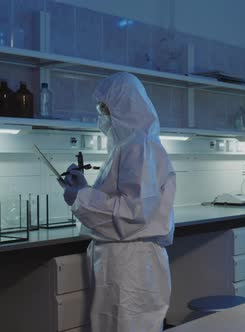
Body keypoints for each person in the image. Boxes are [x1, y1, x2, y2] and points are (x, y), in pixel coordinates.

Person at [61, 72, 176, 332]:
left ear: (124, 108)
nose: (102, 118)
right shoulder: (128, 147)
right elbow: (124, 202)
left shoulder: (140, 146)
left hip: (132, 266)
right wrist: (84, 190)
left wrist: (81, 196)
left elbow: (132, 213)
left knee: (127, 325)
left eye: (106, 110)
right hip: (123, 262)